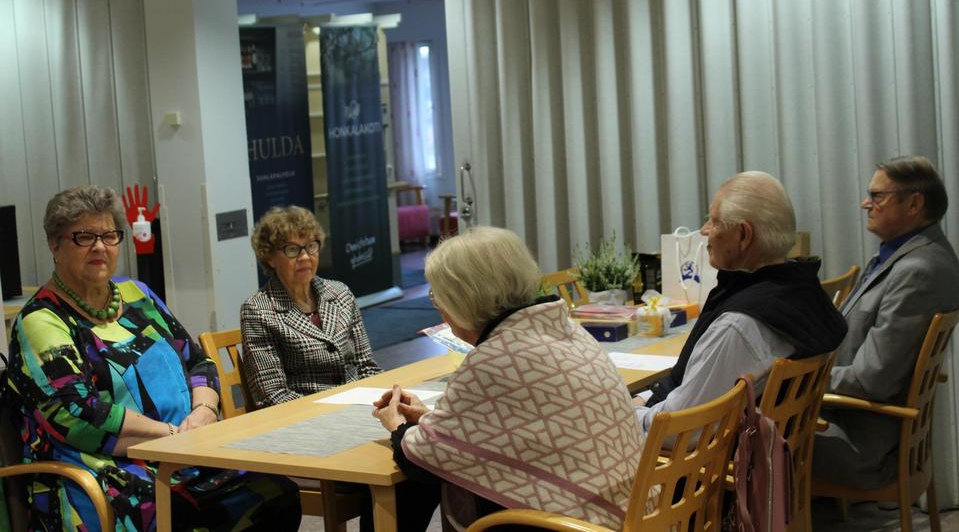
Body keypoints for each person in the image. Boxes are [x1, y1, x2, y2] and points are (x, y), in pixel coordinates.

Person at [5, 185, 300, 531]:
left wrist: (204, 411)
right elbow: (79, 415)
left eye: (109, 235)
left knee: (275, 493)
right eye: (84, 237)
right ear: (55, 245)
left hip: (184, 452)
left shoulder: (137, 294)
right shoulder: (41, 320)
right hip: (103, 470)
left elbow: (198, 362)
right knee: (186, 516)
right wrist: (173, 435)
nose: (100, 246)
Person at [373, 226, 649, 531]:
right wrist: (430, 417)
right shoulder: (564, 328)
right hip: (636, 515)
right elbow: (521, 426)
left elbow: (420, 461)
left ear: (461, 299)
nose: (437, 305)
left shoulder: (493, 358)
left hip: (579, 525)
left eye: (437, 296)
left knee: (408, 492)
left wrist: (396, 423)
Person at [635, 171, 847, 430]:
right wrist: (643, 398)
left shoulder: (739, 325)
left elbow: (680, 428)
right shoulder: (804, 291)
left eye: (714, 221)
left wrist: (625, 414)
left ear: (744, 235)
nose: (704, 231)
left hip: (708, 452)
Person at [813, 156, 959, 488]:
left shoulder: (917, 272)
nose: (865, 203)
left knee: (736, 432)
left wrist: (800, 380)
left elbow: (872, 380)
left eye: (877, 196)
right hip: (860, 422)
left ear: (914, 204)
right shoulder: (910, 254)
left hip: (862, 442)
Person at [241, 205, 381, 408]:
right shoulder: (257, 310)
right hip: (306, 415)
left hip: (360, 406)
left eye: (311, 246)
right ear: (269, 258)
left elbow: (367, 367)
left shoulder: (340, 293)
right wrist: (335, 412)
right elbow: (272, 394)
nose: (305, 257)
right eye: (292, 250)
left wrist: (381, 400)